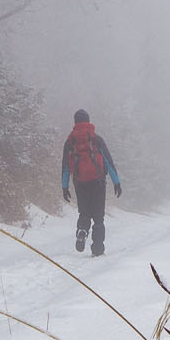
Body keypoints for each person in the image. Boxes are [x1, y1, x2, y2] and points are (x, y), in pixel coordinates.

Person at [61, 108, 122, 256]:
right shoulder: (96, 139)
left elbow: (66, 166)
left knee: (84, 212)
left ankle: (82, 230)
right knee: (98, 217)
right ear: (88, 121)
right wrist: (116, 182)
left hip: (80, 182)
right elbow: (108, 162)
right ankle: (97, 249)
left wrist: (65, 186)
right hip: (98, 182)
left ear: (75, 122)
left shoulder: (70, 141)